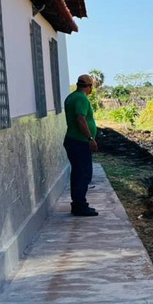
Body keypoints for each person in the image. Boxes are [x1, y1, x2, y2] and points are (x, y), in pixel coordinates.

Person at [63, 75, 99, 216]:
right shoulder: (81, 99)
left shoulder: (72, 97)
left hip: (74, 140)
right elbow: (81, 119)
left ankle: (78, 204)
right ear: (89, 87)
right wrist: (90, 138)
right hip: (79, 141)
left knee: (79, 173)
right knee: (82, 174)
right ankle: (80, 205)